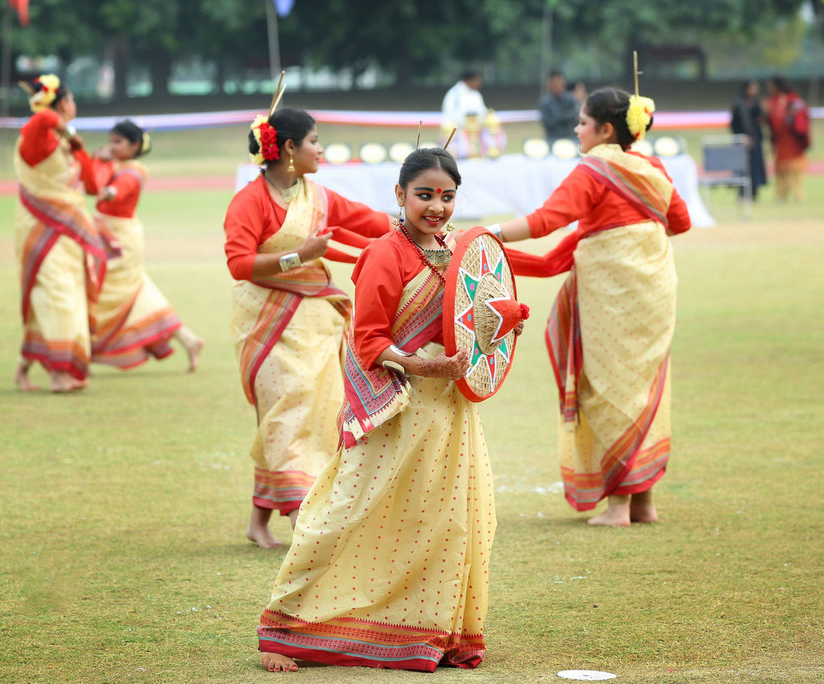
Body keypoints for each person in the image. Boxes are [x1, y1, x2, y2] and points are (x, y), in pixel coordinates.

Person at [258, 148, 517, 672]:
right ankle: (285, 631)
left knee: (448, 521)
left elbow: (468, 320)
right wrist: (424, 368)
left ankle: (431, 633)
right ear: (399, 196)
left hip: (450, 409)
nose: (437, 207)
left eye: (447, 196)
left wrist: (503, 322)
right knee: (346, 512)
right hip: (396, 410)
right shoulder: (385, 252)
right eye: (424, 195)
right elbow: (368, 339)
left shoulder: (453, 251)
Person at [488, 87, 691, 527]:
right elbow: (680, 222)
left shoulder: (593, 170)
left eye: (583, 122)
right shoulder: (653, 167)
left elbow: (546, 221)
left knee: (607, 386)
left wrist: (491, 233)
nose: (577, 129)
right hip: (654, 292)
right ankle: (644, 504)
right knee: (641, 384)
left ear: (605, 129)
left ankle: (618, 508)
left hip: (609, 293)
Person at [223, 108, 392, 549]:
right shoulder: (249, 201)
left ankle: (259, 523)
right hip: (268, 321)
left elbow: (370, 223)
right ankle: (304, 519)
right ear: (291, 148)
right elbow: (239, 264)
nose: (321, 149)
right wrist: (298, 255)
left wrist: (414, 222)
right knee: (287, 411)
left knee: (316, 415)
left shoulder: (317, 195)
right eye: (315, 140)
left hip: (316, 323)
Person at [79, 120, 205, 372]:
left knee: (109, 293)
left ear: (135, 145)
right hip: (106, 234)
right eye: (111, 141)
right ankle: (187, 339)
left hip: (119, 241)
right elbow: (93, 185)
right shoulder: (118, 164)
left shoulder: (135, 170)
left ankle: (82, 350)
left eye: (119, 142)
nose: (112, 146)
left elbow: (110, 190)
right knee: (136, 291)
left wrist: (103, 171)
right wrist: (99, 160)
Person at [13, 74, 106, 393]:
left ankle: (24, 368)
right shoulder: (38, 134)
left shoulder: (68, 142)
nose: (74, 105)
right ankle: (58, 375)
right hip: (41, 227)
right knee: (57, 297)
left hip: (71, 232)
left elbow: (92, 186)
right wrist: (64, 126)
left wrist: (83, 151)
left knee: (64, 299)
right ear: (62, 104)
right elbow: (43, 119)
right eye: (70, 100)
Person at [765, 76, 809, 203]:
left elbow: (801, 119)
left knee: (795, 169)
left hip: (793, 140)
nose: (769, 88)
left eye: (771, 85)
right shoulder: (773, 100)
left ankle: (799, 195)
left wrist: (791, 119)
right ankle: (781, 195)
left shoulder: (794, 100)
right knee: (780, 170)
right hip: (780, 140)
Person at [730, 80, 767, 200]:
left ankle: (754, 192)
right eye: (752, 88)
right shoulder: (738, 104)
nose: (755, 91)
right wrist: (741, 137)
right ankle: (743, 193)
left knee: (755, 166)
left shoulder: (756, 103)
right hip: (743, 140)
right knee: (744, 167)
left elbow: (760, 118)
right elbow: (735, 124)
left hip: (755, 138)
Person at [538, 70, 581, 143]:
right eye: (553, 81)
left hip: (571, 139)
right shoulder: (545, 102)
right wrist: (566, 115)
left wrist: (557, 116)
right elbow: (547, 122)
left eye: (558, 81)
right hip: (553, 140)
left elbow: (576, 117)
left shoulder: (571, 99)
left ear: (563, 82)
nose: (556, 84)